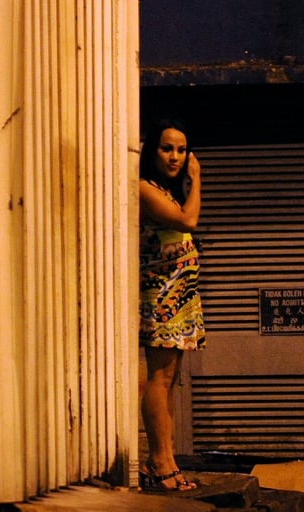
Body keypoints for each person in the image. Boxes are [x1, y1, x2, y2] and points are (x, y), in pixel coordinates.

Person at [137, 117, 205, 492]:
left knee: (170, 379)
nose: (176, 156)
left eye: (181, 149)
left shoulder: (165, 189)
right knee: (159, 378)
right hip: (160, 294)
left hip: (179, 294)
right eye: (167, 148)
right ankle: (161, 461)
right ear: (153, 151)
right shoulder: (145, 189)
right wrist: (196, 181)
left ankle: (164, 459)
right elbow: (188, 220)